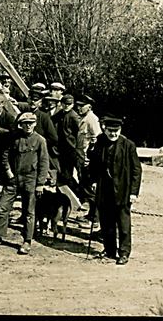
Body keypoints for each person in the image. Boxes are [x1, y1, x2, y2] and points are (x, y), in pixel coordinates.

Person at [0, 111, 49, 255]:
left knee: (29, 212)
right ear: (21, 125)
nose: (28, 126)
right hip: (13, 179)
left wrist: (40, 183)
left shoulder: (40, 140)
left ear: (35, 124)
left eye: (31, 123)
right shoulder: (13, 138)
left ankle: (27, 241)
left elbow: (44, 162)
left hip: (30, 180)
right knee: (2, 208)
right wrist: (8, 172)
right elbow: (4, 156)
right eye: (25, 124)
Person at [89, 115, 142, 265]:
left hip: (123, 190)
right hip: (104, 189)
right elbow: (93, 164)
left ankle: (124, 253)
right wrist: (93, 180)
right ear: (105, 129)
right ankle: (109, 250)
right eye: (110, 131)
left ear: (120, 130)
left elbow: (136, 170)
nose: (113, 134)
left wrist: (133, 192)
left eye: (116, 131)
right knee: (106, 222)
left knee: (123, 225)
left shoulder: (128, 145)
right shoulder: (100, 142)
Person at [75, 94, 101, 225]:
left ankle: (95, 218)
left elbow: (96, 140)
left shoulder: (92, 119)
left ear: (89, 107)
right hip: (80, 157)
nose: (79, 108)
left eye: (82, 106)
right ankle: (91, 214)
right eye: (78, 105)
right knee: (84, 186)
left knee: (89, 188)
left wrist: (91, 158)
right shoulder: (83, 118)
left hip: (87, 159)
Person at [53, 94, 80, 187]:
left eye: (69, 104)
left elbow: (78, 132)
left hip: (72, 147)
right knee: (65, 171)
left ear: (72, 104)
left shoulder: (74, 116)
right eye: (65, 103)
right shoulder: (60, 114)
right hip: (62, 146)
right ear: (61, 104)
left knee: (74, 170)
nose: (67, 106)